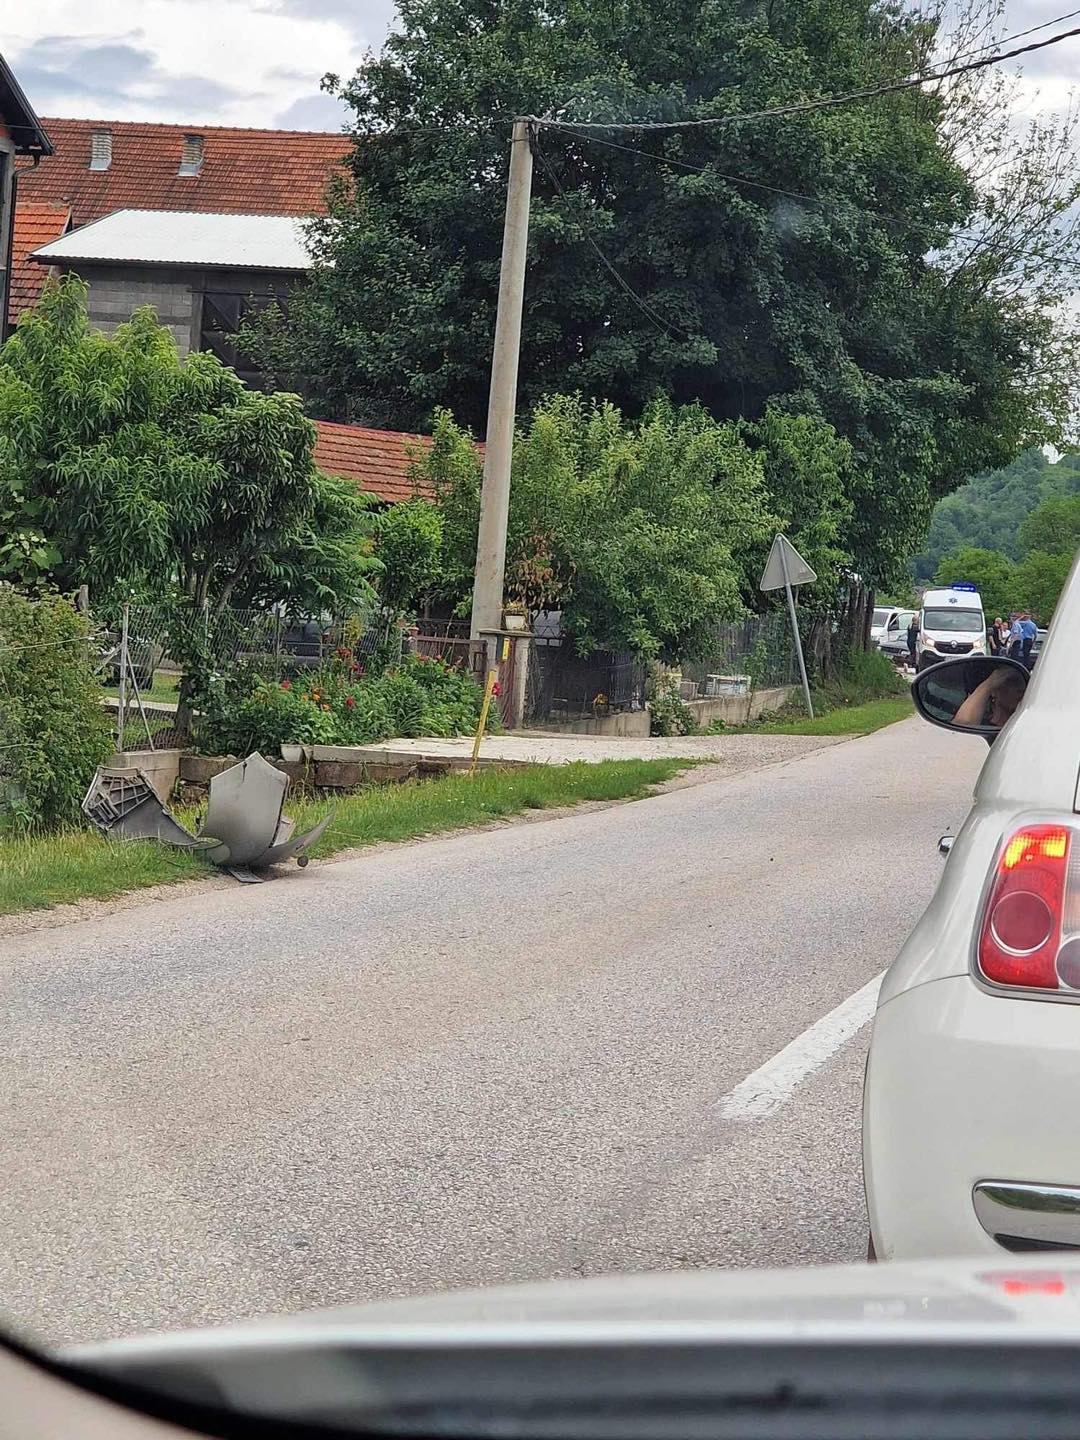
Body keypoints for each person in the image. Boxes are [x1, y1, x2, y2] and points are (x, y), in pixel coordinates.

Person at [954, 666, 1026, 729]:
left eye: (1025, 683)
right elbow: (962, 725)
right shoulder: (980, 725)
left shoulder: (1025, 725)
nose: (1021, 688)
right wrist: (988, 685)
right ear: (994, 691)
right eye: (1013, 682)